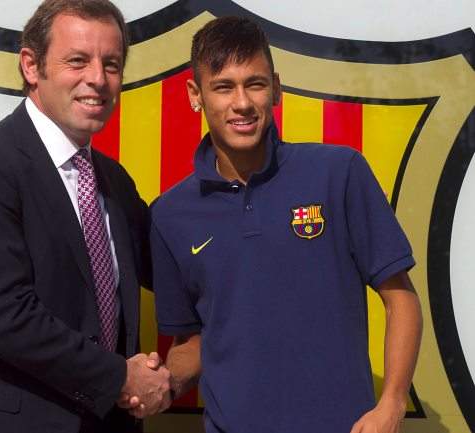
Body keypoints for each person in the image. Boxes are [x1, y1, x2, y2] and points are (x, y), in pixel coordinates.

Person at [0, 1, 171, 432]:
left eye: (111, 64)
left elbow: (171, 270)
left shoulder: (114, 182)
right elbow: (4, 316)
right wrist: (120, 377)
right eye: (77, 60)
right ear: (31, 65)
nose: (97, 79)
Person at [149, 16, 423, 433]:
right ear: (195, 95)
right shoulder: (170, 214)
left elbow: (400, 299)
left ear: (275, 88)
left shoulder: (339, 173)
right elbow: (197, 342)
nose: (242, 103)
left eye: (255, 84)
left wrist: (392, 403)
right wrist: (157, 382)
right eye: (223, 87)